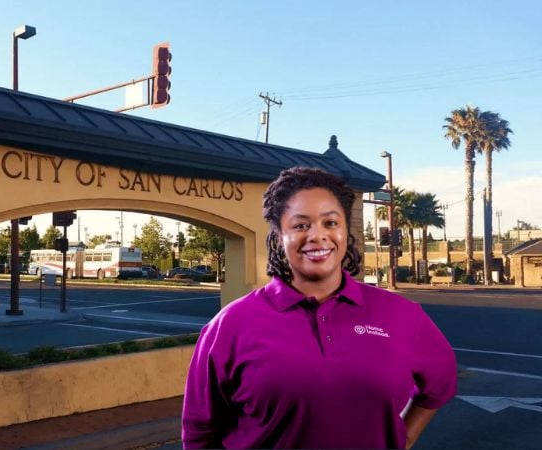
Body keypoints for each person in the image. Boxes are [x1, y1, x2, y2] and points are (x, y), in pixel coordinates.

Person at [182, 167, 457, 449]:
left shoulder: (401, 315)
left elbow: (440, 384)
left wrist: (403, 438)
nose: (317, 235)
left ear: (345, 231)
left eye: (330, 223)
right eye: (300, 225)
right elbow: (200, 432)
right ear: (278, 237)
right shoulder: (230, 324)